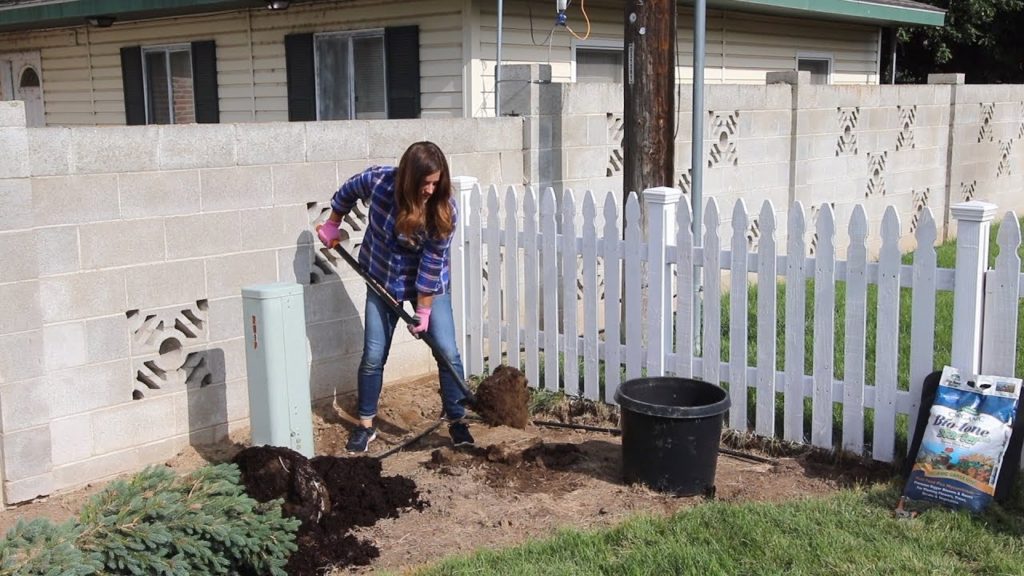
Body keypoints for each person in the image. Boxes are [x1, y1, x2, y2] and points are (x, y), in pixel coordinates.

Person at [317, 141, 474, 453]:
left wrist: (424, 311)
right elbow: (348, 190)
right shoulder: (379, 182)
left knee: (447, 351)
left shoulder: (444, 210)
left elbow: (431, 263)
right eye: (425, 183)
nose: (430, 189)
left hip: (425, 284)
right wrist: (334, 222)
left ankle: (457, 420)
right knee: (374, 354)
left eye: (436, 182)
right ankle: (365, 425)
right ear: (408, 179)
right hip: (382, 279)